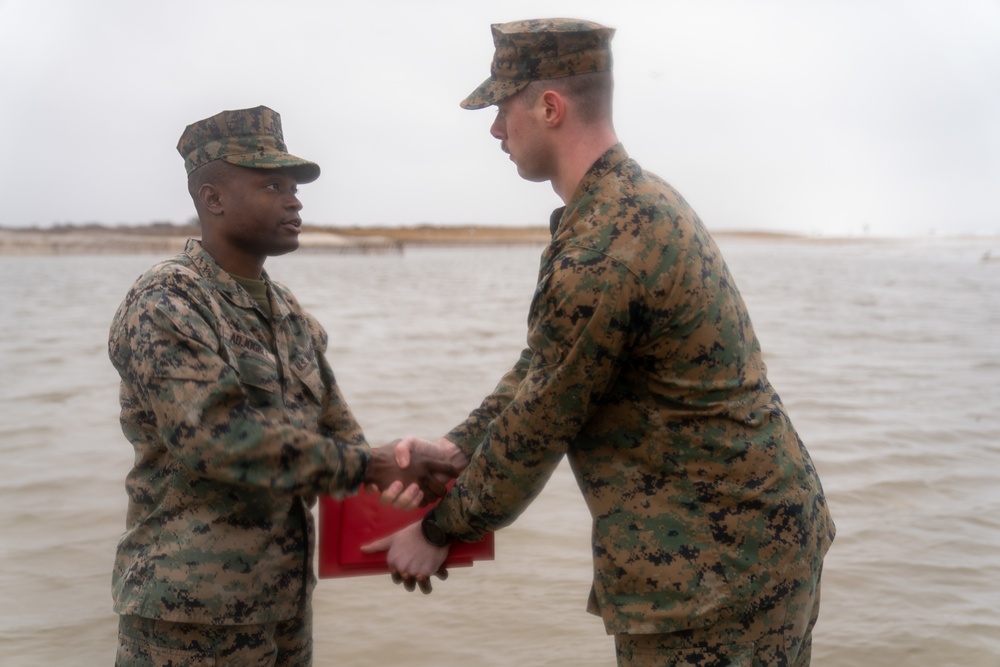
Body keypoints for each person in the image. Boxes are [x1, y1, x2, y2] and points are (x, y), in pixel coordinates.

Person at [364, 19, 836, 667]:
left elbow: (540, 422)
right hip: (741, 553)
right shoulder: (624, 204)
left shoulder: (605, 241)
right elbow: (544, 365)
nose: (496, 130)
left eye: (503, 109)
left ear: (550, 108)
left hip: (718, 573)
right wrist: (458, 444)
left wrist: (438, 529)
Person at [108, 105, 455, 666]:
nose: (295, 200)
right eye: (272, 184)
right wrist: (373, 465)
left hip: (284, 606)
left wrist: (422, 497)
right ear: (212, 197)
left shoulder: (289, 313)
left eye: (294, 187)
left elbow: (340, 439)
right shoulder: (167, 300)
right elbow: (215, 439)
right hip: (188, 616)